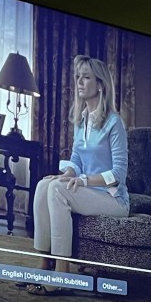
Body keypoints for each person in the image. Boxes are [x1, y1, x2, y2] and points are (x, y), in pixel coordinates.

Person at [29, 55, 130, 285]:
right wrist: (67, 175)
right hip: (90, 191)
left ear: (100, 85)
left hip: (113, 199)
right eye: (78, 77)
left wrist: (85, 180)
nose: (79, 82)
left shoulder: (114, 123)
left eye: (86, 77)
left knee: (57, 190)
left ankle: (62, 273)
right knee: (45, 185)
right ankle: (44, 264)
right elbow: (75, 159)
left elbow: (118, 175)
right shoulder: (82, 120)